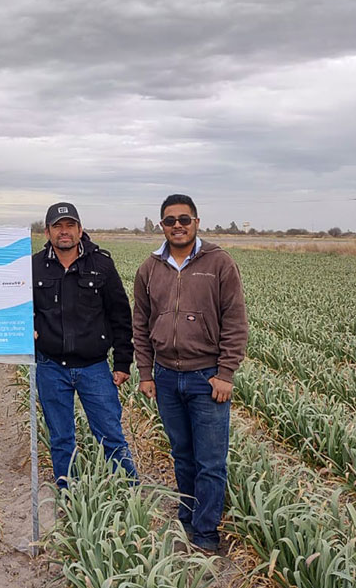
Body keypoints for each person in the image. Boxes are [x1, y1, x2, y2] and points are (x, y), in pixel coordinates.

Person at [132, 193, 247, 553]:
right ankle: (187, 515)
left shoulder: (219, 263)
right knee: (182, 454)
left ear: (197, 222)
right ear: (161, 225)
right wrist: (146, 373)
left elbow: (235, 321)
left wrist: (225, 373)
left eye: (184, 219)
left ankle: (206, 531)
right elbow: (141, 323)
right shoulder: (149, 268)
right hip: (166, 377)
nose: (177, 225)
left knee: (210, 461)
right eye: (170, 220)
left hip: (206, 377)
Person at [32, 202, 137, 490]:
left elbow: (119, 313)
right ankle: (70, 497)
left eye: (69, 226)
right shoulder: (34, 265)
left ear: (80, 229)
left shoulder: (101, 263)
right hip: (51, 367)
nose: (63, 232)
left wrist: (123, 362)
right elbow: (21, 310)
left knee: (111, 435)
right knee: (61, 439)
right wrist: (27, 329)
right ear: (48, 232)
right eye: (57, 226)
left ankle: (130, 495)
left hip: (94, 368)